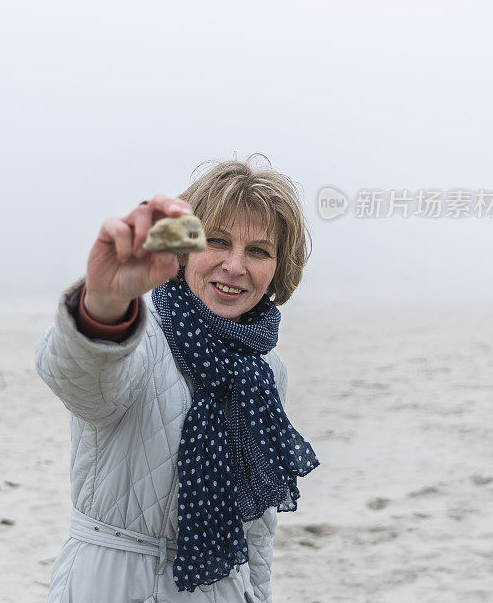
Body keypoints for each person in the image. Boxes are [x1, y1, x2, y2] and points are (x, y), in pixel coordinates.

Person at [35, 156, 319, 603]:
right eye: (218, 241)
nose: (234, 265)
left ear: (279, 268)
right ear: (184, 248)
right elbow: (79, 379)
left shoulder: (266, 371)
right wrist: (103, 305)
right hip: (114, 583)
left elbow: (258, 527)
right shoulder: (139, 333)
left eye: (259, 251)